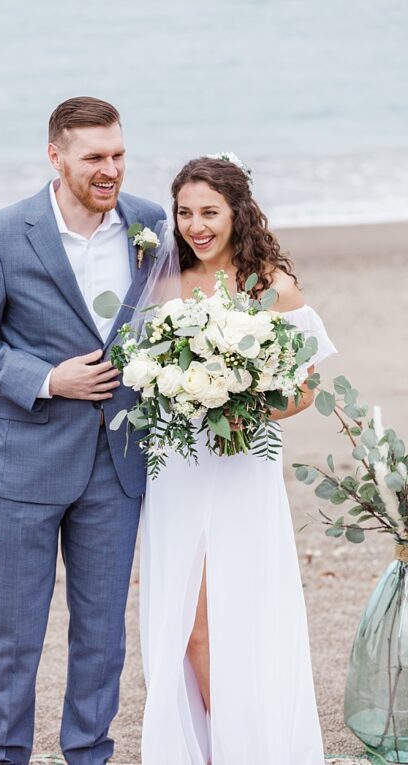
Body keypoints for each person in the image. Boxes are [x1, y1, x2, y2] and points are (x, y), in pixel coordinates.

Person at [0, 96, 166, 765]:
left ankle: (88, 753)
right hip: (22, 463)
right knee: (14, 633)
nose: (110, 169)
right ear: (56, 155)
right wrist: (47, 378)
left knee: (102, 632)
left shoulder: (149, 224)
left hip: (117, 461)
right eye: (94, 157)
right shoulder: (1, 234)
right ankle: (6, 755)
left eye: (119, 154)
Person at [139, 156, 334, 764]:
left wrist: (241, 400)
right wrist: (179, 387)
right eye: (185, 212)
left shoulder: (270, 284)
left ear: (236, 213)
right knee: (188, 620)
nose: (196, 225)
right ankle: (220, 747)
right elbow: (139, 373)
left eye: (209, 212)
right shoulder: (162, 282)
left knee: (246, 611)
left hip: (243, 465)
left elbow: (302, 390)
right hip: (176, 468)